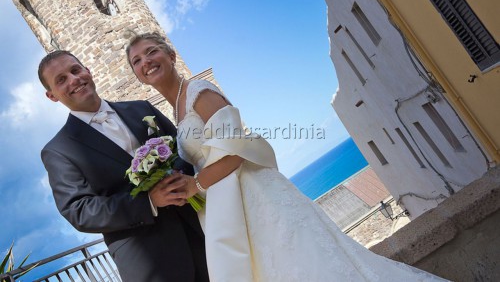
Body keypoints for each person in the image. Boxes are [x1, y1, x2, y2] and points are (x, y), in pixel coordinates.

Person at [126, 32, 450, 281]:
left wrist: (195, 185)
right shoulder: (174, 111)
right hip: (230, 207)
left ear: (170, 55)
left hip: (258, 197)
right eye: (137, 61)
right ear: (137, 74)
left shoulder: (199, 93)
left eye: (151, 52)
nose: (145, 62)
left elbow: (237, 150)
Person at [39, 50, 209, 282]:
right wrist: (148, 201)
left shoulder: (142, 108)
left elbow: (184, 148)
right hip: (152, 261)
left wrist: (180, 175)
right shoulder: (58, 150)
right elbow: (79, 211)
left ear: (87, 71)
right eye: (61, 80)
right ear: (52, 96)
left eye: (75, 70)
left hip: (204, 227)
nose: (73, 80)